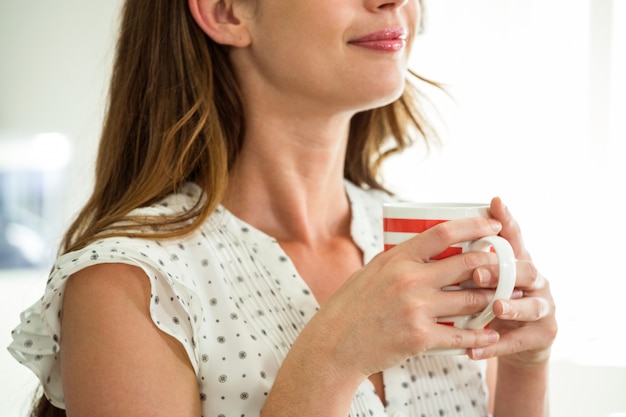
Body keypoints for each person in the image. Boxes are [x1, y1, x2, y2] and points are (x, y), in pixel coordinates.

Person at [8, 0, 557, 416]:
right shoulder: (130, 284)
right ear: (226, 11)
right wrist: (333, 359)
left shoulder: (422, 245)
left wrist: (524, 369)